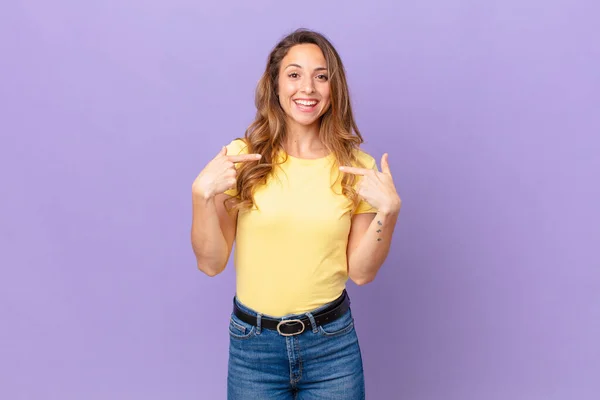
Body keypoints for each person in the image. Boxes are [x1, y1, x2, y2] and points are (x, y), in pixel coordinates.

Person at [191, 28, 401, 400]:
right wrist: (200, 196)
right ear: (275, 85)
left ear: (334, 88)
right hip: (252, 347)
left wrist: (389, 212)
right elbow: (211, 263)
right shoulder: (242, 158)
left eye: (321, 76)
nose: (308, 88)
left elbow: (362, 273)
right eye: (294, 74)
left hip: (331, 347)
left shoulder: (357, 167)